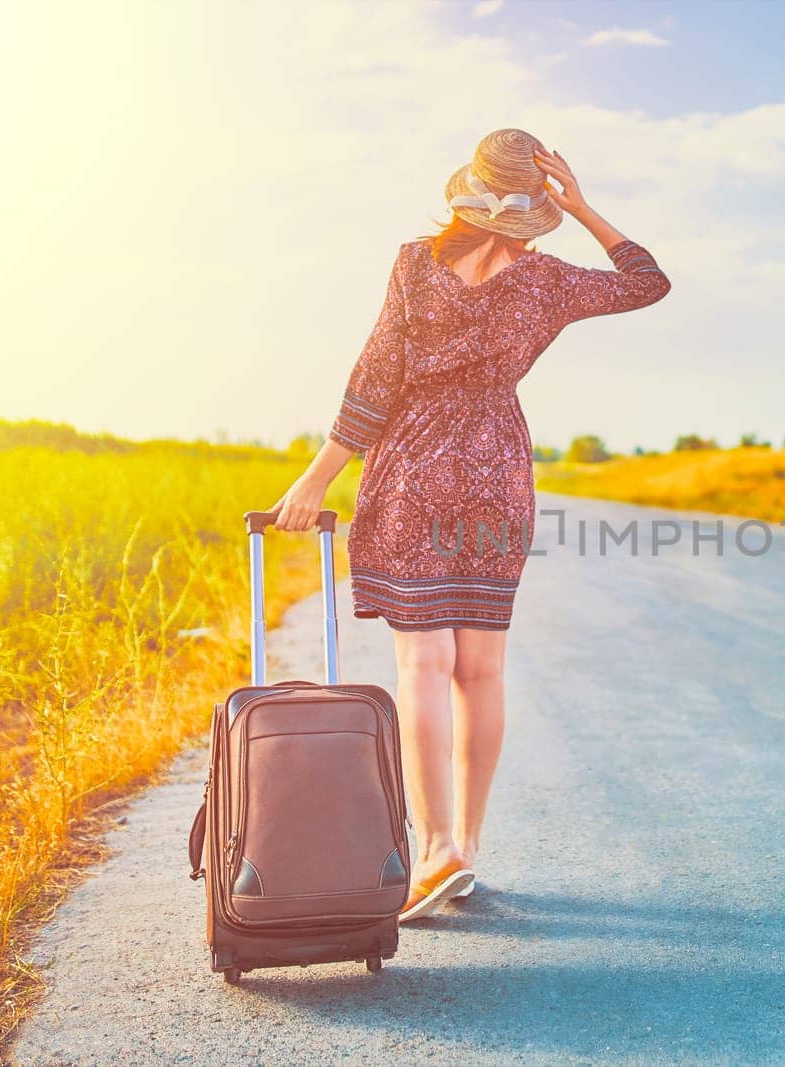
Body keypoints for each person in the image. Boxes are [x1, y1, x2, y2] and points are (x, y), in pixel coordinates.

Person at [269, 128, 672, 921]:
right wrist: (586, 208)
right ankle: (466, 852)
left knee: (424, 667)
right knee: (481, 670)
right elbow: (648, 282)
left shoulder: (416, 265)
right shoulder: (550, 281)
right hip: (497, 472)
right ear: (539, 206)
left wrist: (314, 481)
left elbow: (373, 380)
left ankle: (436, 847)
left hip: (417, 465)